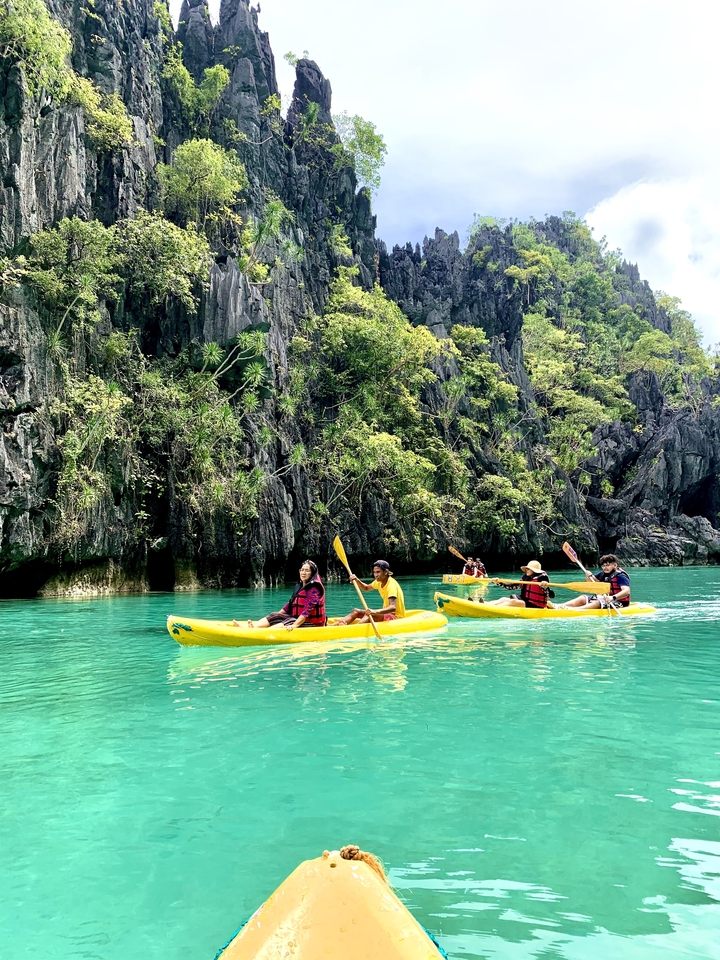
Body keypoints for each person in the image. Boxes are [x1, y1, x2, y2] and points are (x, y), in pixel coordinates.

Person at [239, 559, 326, 630]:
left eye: (307, 571)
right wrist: (277, 616)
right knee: (274, 615)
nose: (303, 573)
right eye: (302, 570)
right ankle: (253, 627)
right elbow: (290, 605)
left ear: (312, 573)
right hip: (297, 618)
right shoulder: (300, 586)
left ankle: (261, 633)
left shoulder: (314, 589)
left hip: (312, 624)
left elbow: (307, 610)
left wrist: (295, 625)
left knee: (290, 621)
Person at [337, 560, 406, 624]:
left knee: (369, 614)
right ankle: (333, 626)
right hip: (385, 615)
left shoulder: (391, 585)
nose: (376, 575)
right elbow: (366, 588)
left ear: (386, 572)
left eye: (378, 572)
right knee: (355, 611)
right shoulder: (378, 582)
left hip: (395, 617)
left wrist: (374, 611)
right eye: (374, 572)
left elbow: (392, 607)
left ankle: (354, 629)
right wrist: (357, 580)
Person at [561, 554, 631, 609]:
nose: (605, 567)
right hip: (604, 598)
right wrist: (588, 575)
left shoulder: (621, 576)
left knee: (598, 602)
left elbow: (626, 591)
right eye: (603, 566)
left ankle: (575, 609)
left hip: (619, 602)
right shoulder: (602, 574)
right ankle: (560, 606)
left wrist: (612, 597)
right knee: (583, 598)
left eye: (608, 565)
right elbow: (591, 583)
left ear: (615, 565)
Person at [480, 560, 554, 609]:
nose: (527, 570)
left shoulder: (542, 578)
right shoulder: (526, 577)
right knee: (503, 599)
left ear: (535, 570)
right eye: (527, 568)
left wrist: (545, 587)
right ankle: (484, 604)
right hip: (525, 601)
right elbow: (511, 586)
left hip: (536, 605)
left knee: (512, 602)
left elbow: (550, 595)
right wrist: (499, 582)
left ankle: (491, 609)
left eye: (529, 569)